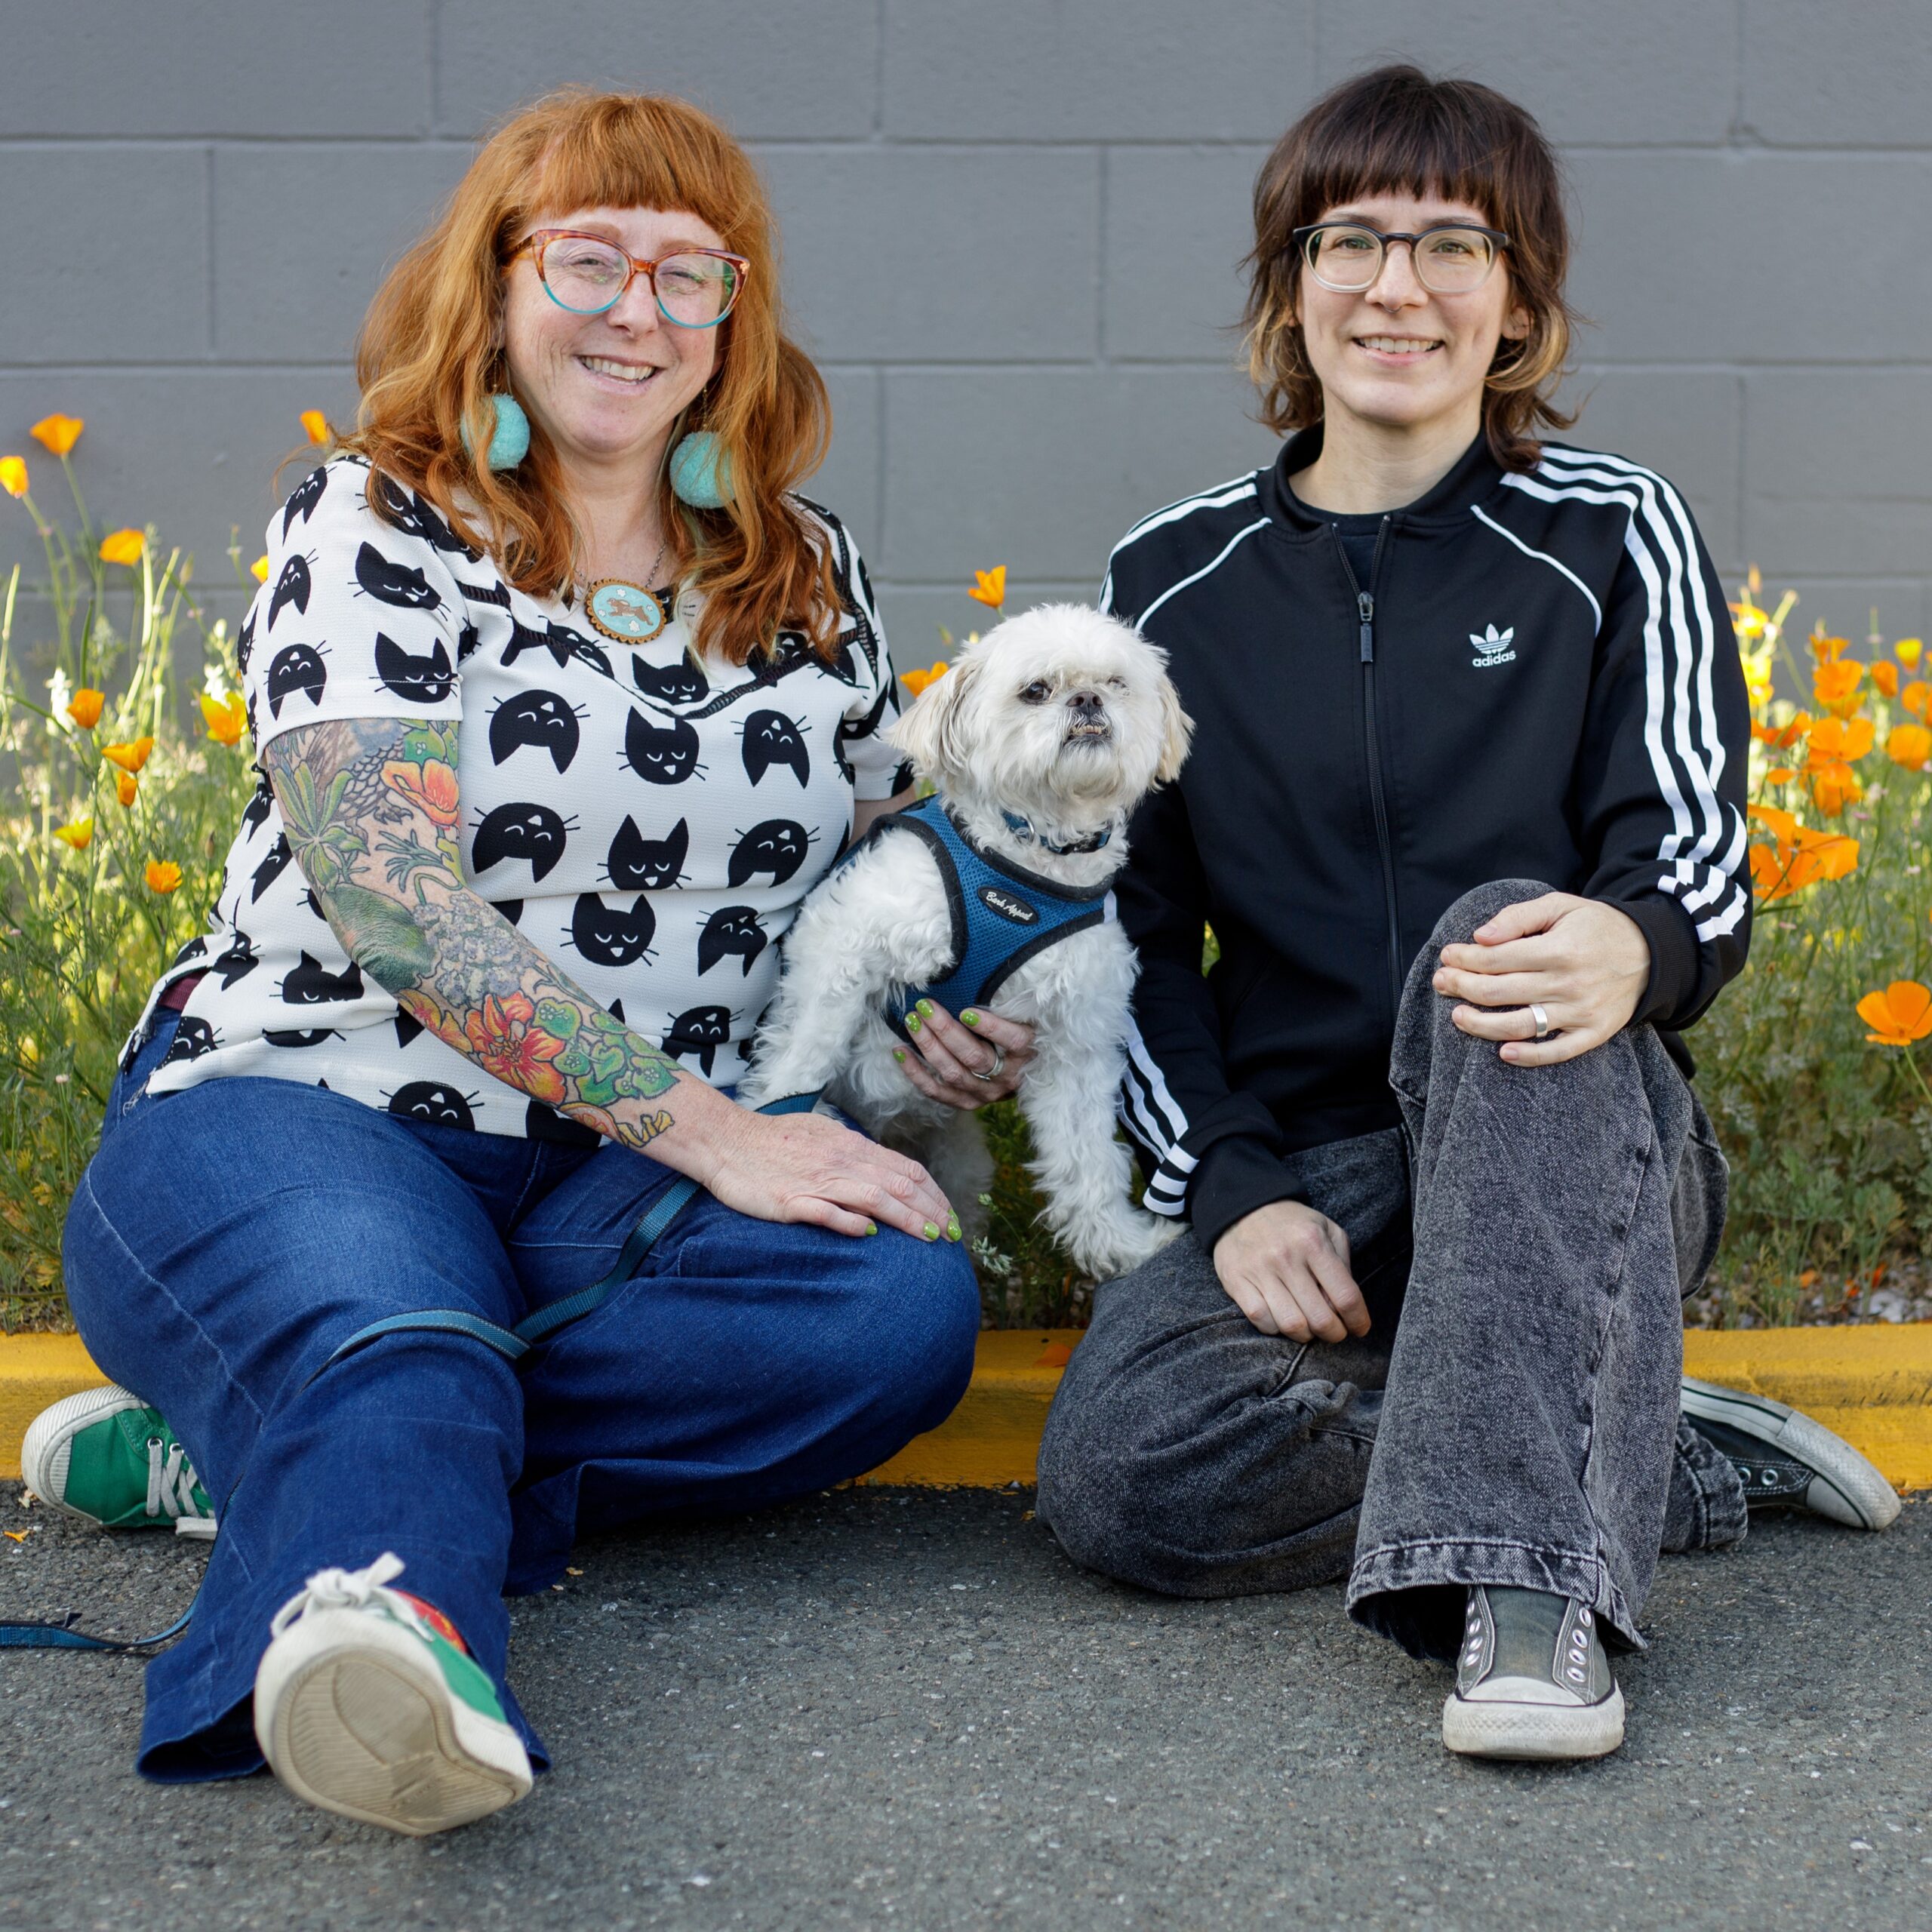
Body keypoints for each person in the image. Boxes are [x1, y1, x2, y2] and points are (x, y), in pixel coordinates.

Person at [21, 90, 1033, 1835]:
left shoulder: (804, 573)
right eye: (587, 259)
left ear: (734, 320)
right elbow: (394, 895)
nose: (636, 312)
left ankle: (252, 1451)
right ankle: (399, 1635)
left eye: (688, 276)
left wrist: (948, 999)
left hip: (601, 1187)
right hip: (310, 1109)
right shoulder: (376, 521)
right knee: (396, 1316)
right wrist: (719, 1133)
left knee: (893, 1307)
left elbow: (890, 848)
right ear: (491, 288)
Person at [1035, 66, 1899, 1762]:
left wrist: (1634, 942)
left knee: (1505, 930)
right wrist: (1234, 1184)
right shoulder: (1165, 582)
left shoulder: (1609, 532)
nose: (1395, 285)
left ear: (1517, 300)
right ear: (1291, 281)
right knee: (1119, 1474)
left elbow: (1694, 860)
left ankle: (1524, 1597)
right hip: (1328, 1174)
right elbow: (1127, 938)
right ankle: (1632, 1436)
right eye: (1348, 237)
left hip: (1569, 1124)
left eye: (1452, 243)